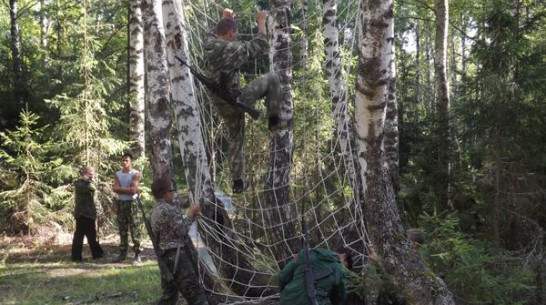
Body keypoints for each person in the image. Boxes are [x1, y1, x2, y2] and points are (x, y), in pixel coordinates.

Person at [203, 8, 288, 194]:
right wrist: (261, 21)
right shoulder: (229, 49)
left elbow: (213, 32)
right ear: (230, 34)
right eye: (235, 34)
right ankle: (274, 122)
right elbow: (258, 46)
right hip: (236, 100)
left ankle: (238, 182)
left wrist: (224, 17)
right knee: (272, 79)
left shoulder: (208, 43)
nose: (236, 37)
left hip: (221, 105)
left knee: (235, 139)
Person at [150, 177, 209, 305]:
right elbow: (182, 232)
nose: (174, 193)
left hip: (165, 258)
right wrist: (191, 214)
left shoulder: (156, 210)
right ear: (166, 193)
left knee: (169, 296)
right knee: (196, 294)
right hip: (176, 256)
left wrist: (190, 217)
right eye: (172, 190)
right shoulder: (168, 209)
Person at [278, 248, 347, 305]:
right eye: (346, 266)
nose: (345, 268)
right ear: (344, 256)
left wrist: (287, 293)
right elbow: (339, 299)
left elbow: (282, 276)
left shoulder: (305, 254)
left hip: (287, 300)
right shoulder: (340, 270)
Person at [113, 152, 142, 263]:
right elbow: (115, 188)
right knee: (122, 229)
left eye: (127, 160)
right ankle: (122, 253)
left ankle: (137, 254)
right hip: (121, 203)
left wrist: (121, 189)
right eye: (123, 160)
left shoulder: (135, 173)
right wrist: (128, 189)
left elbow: (133, 189)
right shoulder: (118, 174)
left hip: (132, 203)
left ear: (131, 162)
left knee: (135, 228)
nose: (124, 162)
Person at [71, 166, 104, 262]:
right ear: (84, 174)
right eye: (90, 174)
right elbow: (89, 188)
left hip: (90, 214)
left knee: (92, 236)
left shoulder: (91, 182)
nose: (92, 177)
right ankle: (76, 257)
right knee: (78, 237)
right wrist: (87, 181)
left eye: (93, 175)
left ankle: (97, 254)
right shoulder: (78, 183)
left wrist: (89, 181)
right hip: (81, 213)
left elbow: (93, 188)